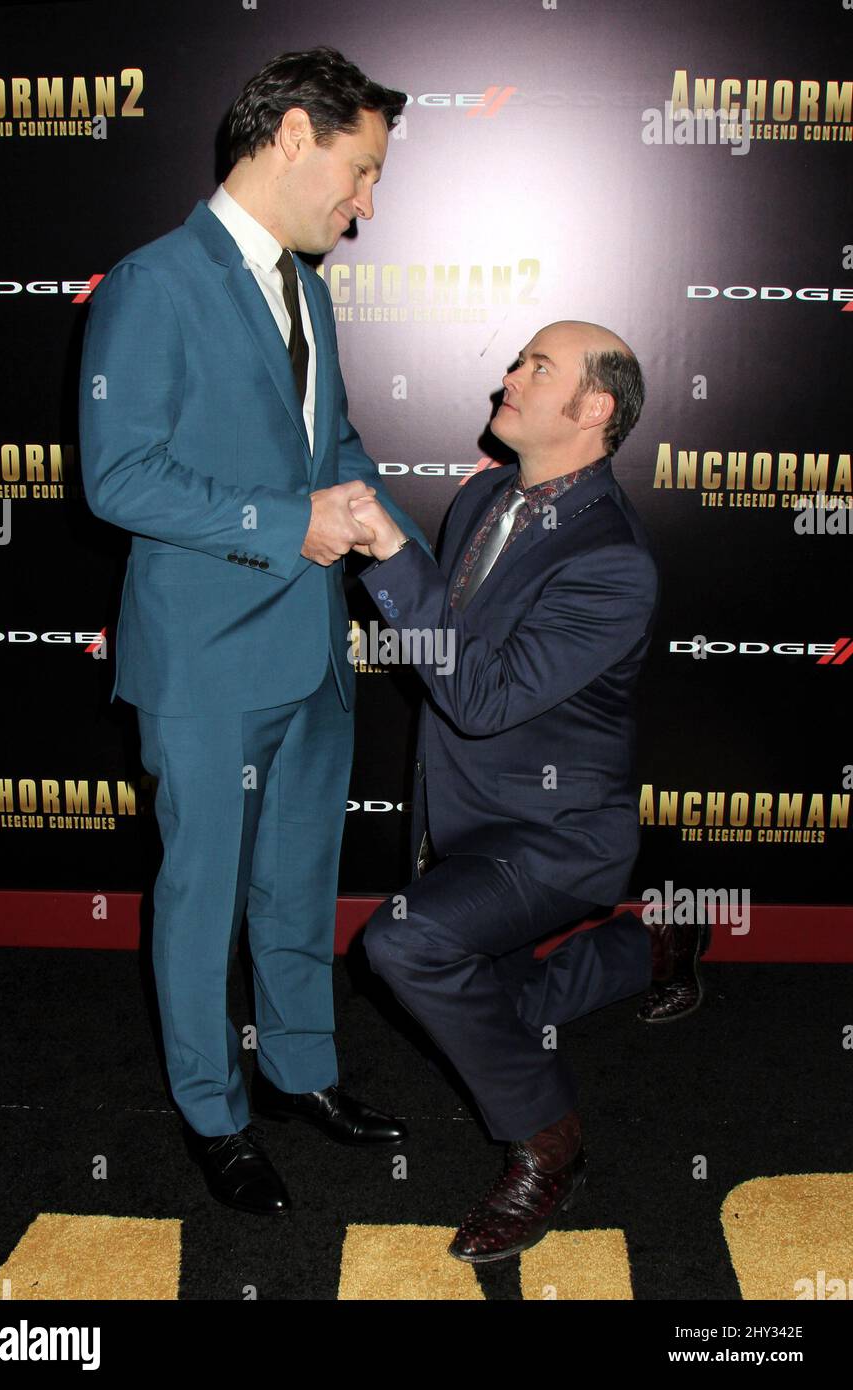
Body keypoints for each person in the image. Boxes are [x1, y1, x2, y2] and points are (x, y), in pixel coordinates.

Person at [77, 46, 431, 1218]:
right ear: (291, 132)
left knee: (294, 885)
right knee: (203, 900)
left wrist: (393, 540)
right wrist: (291, 524)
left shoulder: (308, 286)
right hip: (206, 668)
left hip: (310, 653)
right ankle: (213, 1112)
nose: (368, 204)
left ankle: (299, 1071)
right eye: (362, 169)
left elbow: (328, 448)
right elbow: (117, 477)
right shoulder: (153, 281)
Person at [349, 319, 672, 1262]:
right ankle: (653, 945)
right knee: (506, 1004)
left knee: (406, 945)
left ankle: (549, 1142)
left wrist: (386, 557)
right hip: (467, 819)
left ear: (593, 409)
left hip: (556, 840)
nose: (510, 374)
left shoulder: (611, 563)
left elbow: (479, 695)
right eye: (518, 358)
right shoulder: (487, 496)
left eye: (539, 367)